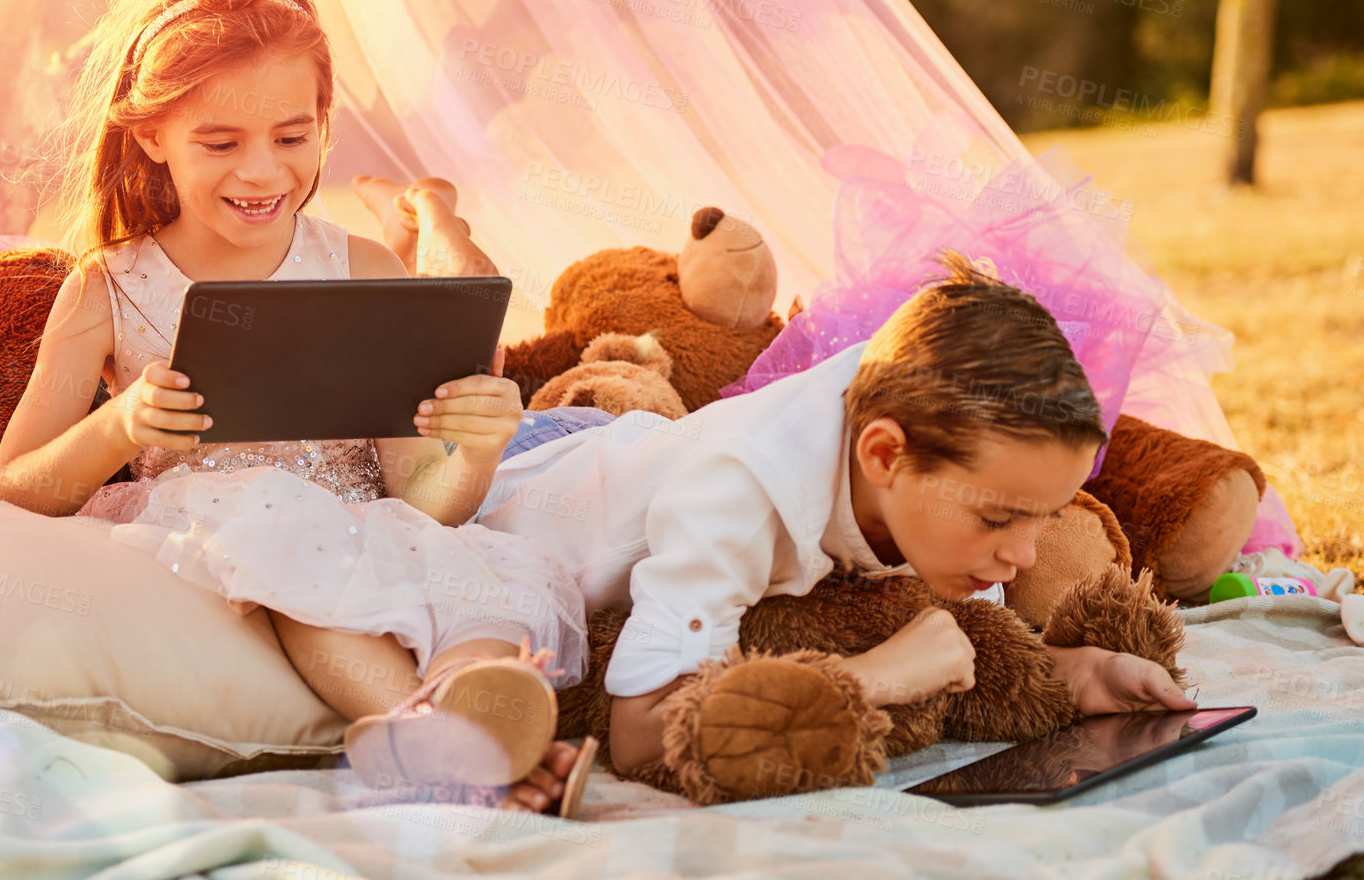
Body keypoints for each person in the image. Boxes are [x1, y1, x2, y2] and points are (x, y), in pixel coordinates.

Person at [0, 0, 588, 813]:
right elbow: (12, 487)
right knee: (305, 573)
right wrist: (119, 428)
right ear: (151, 135)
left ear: (325, 125)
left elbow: (425, 506)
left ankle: (486, 721)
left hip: (371, 528)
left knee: (479, 592)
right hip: (237, 547)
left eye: (292, 136)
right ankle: (453, 754)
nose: (263, 171)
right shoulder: (108, 288)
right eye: (219, 141)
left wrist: (474, 447)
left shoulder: (365, 270)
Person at [475, 252, 1196, 773]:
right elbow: (640, 735)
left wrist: (1075, 675)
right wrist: (875, 679)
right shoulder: (739, 495)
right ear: (883, 457)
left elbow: (966, 651)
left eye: (1043, 516)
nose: (1026, 557)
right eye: (1000, 519)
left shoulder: (923, 424)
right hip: (520, 486)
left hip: (642, 450)